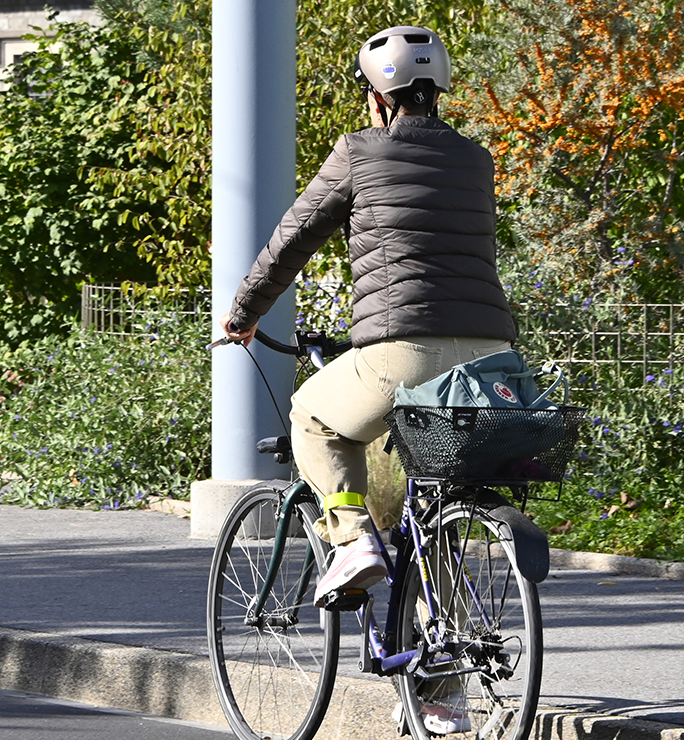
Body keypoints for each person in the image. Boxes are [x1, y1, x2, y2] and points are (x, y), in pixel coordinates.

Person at [220, 26, 516, 611]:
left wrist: (244, 314)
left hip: (403, 349)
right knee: (436, 510)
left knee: (312, 416)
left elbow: (292, 240)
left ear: (379, 96)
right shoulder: (475, 158)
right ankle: (439, 690)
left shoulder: (360, 151)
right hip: (491, 355)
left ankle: (353, 542)